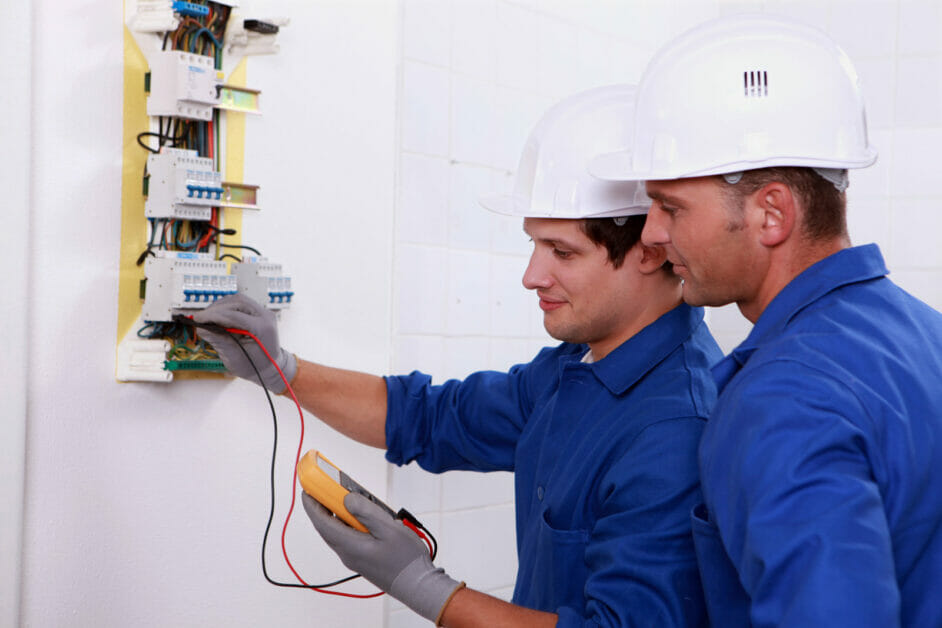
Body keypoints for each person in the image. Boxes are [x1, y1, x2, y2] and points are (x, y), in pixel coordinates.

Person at [196, 85, 720, 627]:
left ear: (651, 250)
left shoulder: (675, 429)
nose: (531, 276)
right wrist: (285, 371)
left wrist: (424, 588)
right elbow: (426, 416)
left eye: (562, 251)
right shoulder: (574, 366)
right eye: (534, 244)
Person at [591, 14, 942, 627]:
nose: (651, 231)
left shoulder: (783, 398)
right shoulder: (923, 332)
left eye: (671, 205)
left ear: (770, 214)